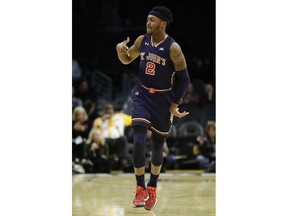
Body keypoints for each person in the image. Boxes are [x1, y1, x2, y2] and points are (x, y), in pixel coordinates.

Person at [116, 5, 190, 210]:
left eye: (152, 20)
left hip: (163, 100)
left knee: (157, 147)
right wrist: (119, 50)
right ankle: (140, 188)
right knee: (139, 141)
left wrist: (174, 104)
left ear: (162, 23)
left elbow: (184, 79)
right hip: (142, 95)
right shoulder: (142, 40)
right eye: (147, 19)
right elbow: (127, 59)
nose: (148, 22)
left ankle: (153, 187)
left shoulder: (173, 48)